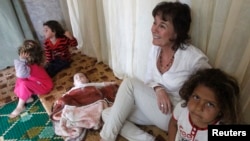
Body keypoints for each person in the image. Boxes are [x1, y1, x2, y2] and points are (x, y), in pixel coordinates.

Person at [100, 1, 211, 141]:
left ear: (177, 33)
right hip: (155, 106)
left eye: (162, 26)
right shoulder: (156, 48)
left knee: (129, 84)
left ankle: (105, 138)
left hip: (173, 114)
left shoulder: (193, 58)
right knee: (108, 114)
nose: (154, 29)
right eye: (155, 23)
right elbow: (149, 79)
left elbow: (213, 86)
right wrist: (158, 89)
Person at [168, 68, 242, 141]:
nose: (199, 108)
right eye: (196, 97)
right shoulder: (182, 107)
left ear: (222, 109)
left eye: (210, 104)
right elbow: (173, 124)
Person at [9, 40, 53, 118]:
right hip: (38, 83)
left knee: (24, 83)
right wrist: (22, 61)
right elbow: (20, 76)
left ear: (29, 57)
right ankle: (26, 97)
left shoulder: (30, 66)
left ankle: (20, 106)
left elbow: (20, 74)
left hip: (44, 86)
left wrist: (21, 61)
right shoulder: (30, 64)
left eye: (23, 56)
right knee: (20, 80)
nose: (20, 57)